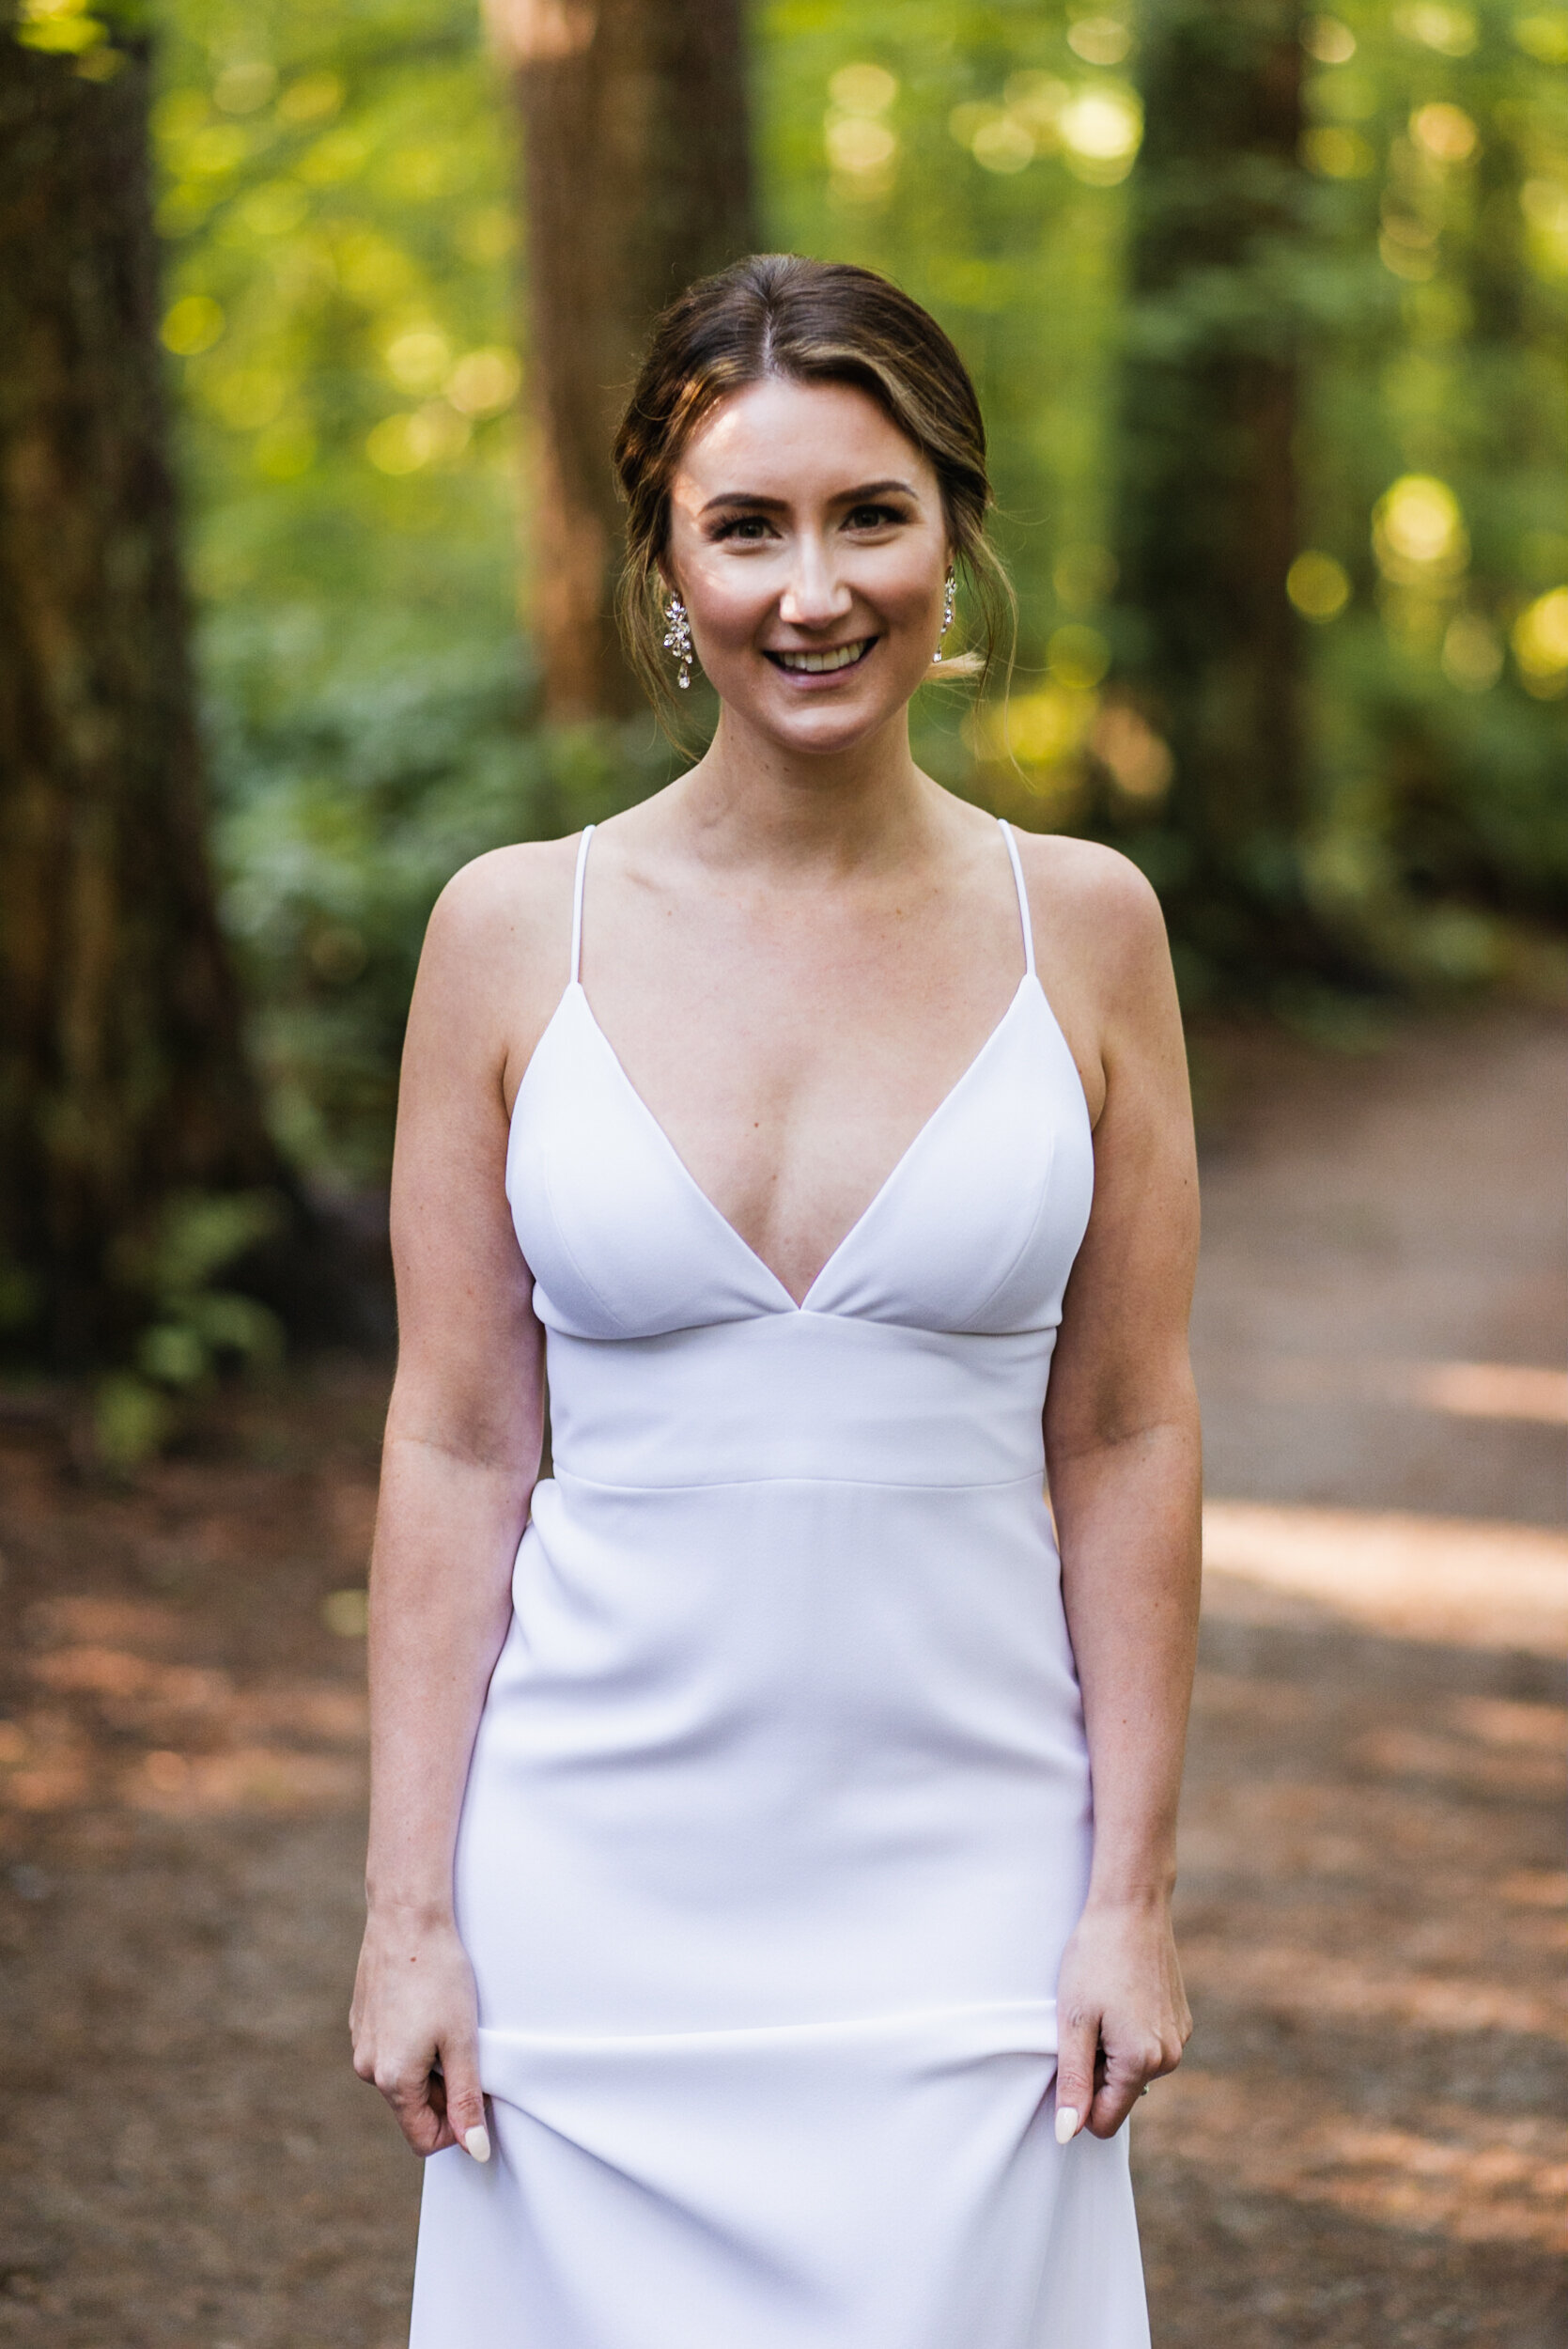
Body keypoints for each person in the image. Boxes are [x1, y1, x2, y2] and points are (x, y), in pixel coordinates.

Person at [350, 253, 1201, 2349]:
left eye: (867, 515)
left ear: (952, 539)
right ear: (663, 562)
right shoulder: (506, 932)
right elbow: (458, 1436)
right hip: (592, 1901)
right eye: (746, 526)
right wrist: (408, 1915)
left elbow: (1127, 1430)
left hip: (976, 1888)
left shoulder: (1083, 929)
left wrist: (1130, 1895)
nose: (811, 589)